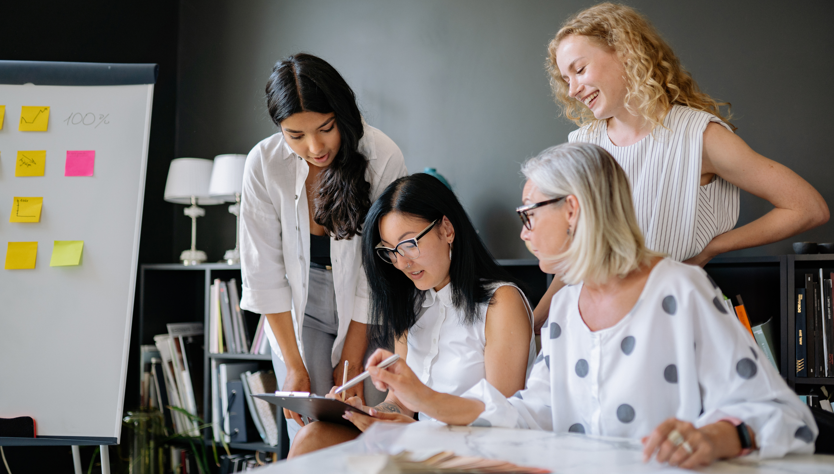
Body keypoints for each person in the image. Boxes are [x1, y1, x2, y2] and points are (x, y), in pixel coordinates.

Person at [362, 143, 817, 469]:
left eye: (529, 214)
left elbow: (786, 417)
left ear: (573, 210)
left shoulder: (680, 289)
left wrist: (716, 436)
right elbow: (529, 411)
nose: (524, 231)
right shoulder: (563, 310)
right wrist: (422, 398)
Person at [532, 2, 829, 330]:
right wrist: (534, 323)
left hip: (666, 321)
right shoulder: (581, 146)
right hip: (587, 324)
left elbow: (807, 208)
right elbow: (577, 258)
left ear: (626, 52)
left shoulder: (699, 137)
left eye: (580, 70)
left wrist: (712, 248)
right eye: (565, 78)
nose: (572, 90)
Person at [287, 173, 536, 457]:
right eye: (391, 251)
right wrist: (364, 413)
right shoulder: (412, 304)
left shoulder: (500, 302)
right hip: (421, 441)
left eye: (409, 244)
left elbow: (501, 415)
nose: (402, 262)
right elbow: (399, 403)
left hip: (476, 448)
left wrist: (416, 430)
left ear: (447, 229)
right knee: (313, 436)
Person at [238, 53, 407, 440]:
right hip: (303, 309)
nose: (314, 147)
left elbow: (375, 268)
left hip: (371, 309)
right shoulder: (263, 164)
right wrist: (293, 364)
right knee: (312, 426)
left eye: (325, 128)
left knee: (365, 425)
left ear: (342, 114)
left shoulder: (383, 155)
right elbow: (262, 271)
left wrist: (351, 354)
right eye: (295, 135)